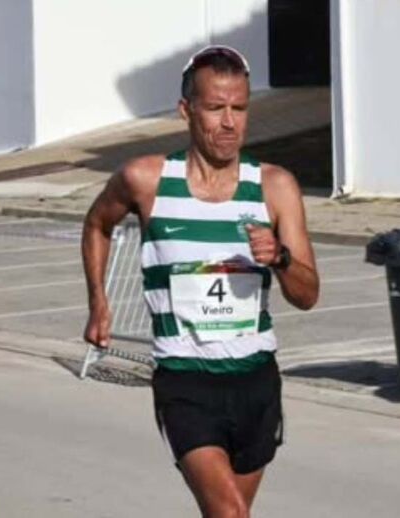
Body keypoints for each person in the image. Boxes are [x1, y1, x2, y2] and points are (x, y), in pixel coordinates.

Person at [81, 45, 319, 517]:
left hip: (256, 379)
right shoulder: (146, 180)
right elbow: (96, 225)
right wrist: (98, 302)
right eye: (215, 108)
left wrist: (281, 257)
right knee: (231, 513)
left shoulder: (274, 186)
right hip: (185, 380)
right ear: (186, 110)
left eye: (239, 108)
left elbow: (308, 294)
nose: (229, 123)